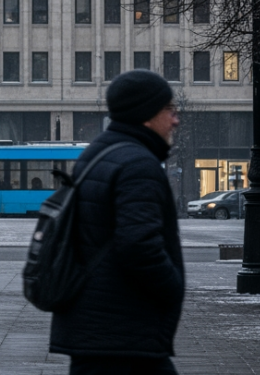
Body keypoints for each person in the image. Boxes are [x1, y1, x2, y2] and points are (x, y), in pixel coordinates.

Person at [50, 69, 184, 374]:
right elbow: (138, 245)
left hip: (98, 328)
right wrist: (172, 287)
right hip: (124, 332)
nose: (175, 119)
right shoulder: (138, 164)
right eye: (169, 110)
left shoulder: (99, 153)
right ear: (146, 113)